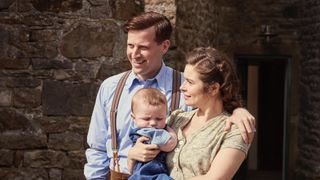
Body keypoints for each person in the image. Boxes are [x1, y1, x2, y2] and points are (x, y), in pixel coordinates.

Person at [84, 11, 255, 179]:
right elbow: (97, 148)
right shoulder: (110, 87)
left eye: (143, 47)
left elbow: (214, 110)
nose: (134, 54)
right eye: (130, 46)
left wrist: (239, 111)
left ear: (164, 46)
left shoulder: (184, 89)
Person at [165, 47, 251, 179]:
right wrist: (135, 154)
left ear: (213, 88)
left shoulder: (234, 130)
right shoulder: (176, 118)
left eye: (190, 82)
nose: (182, 87)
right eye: (184, 80)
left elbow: (215, 178)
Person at [128, 88, 176, 180]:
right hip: (150, 172)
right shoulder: (150, 132)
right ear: (133, 118)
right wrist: (171, 132)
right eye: (146, 119)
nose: (153, 123)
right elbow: (170, 145)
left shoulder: (136, 131)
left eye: (159, 119)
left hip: (139, 173)